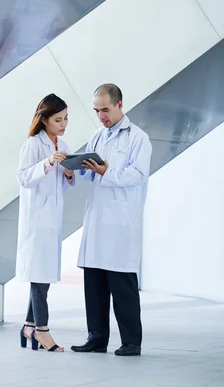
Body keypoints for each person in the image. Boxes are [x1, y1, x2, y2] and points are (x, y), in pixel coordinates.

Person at [71, 83, 152, 356]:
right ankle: (96, 338)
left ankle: (131, 342)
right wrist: (77, 168)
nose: (101, 116)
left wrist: (106, 171)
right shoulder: (97, 136)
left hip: (120, 223)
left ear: (119, 105)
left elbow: (137, 175)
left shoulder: (138, 138)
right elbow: (90, 173)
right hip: (97, 221)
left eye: (105, 109)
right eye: (96, 111)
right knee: (94, 284)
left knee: (122, 286)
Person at [16, 93, 75, 352]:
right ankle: (42, 331)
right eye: (58, 119)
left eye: (65, 119)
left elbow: (63, 185)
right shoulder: (33, 145)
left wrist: (71, 172)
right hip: (37, 221)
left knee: (44, 275)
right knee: (39, 277)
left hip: (52, 219)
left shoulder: (62, 144)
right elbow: (24, 178)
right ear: (44, 120)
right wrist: (48, 162)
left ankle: (29, 326)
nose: (63, 124)